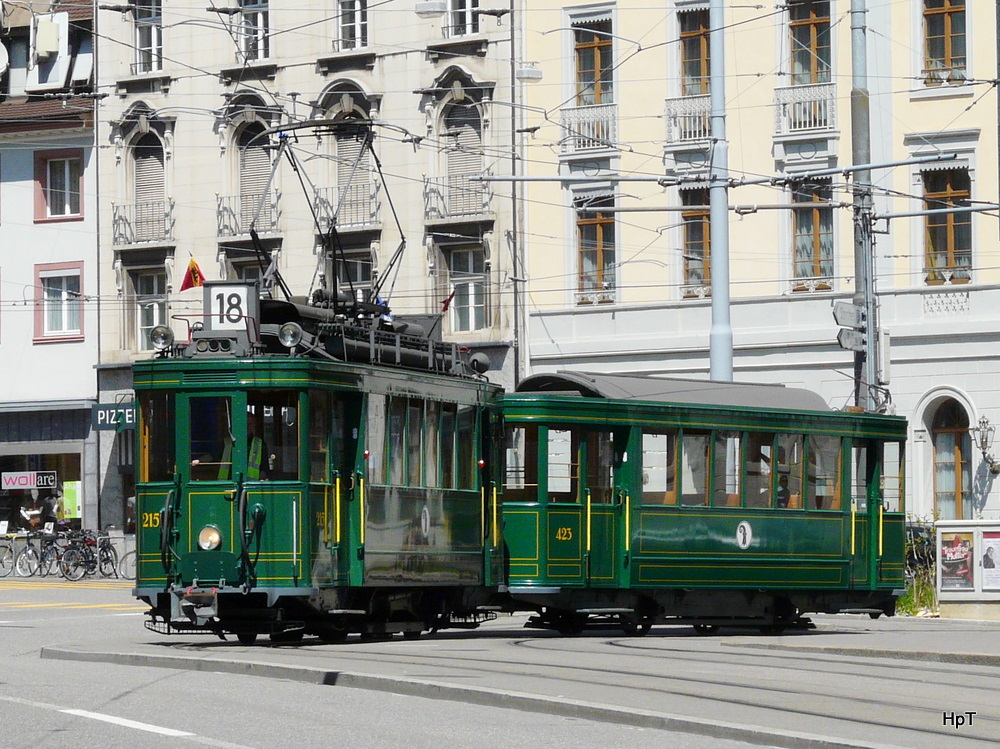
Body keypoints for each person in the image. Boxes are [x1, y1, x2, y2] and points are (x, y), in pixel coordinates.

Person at [247, 416, 269, 480]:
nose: (247, 426)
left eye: (250, 424)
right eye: (245, 423)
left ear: (254, 425)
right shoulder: (228, 443)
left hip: (254, 485)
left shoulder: (260, 444)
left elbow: (264, 468)